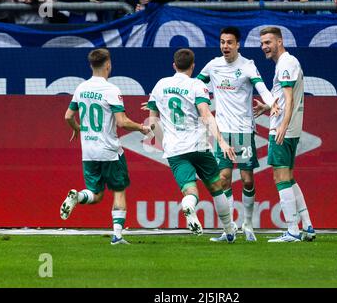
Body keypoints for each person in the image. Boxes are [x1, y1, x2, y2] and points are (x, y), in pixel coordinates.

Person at [144, 48, 238, 243]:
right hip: (198, 146)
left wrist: (163, 142)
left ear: (174, 65)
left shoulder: (160, 85)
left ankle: (189, 205)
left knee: (190, 190)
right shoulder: (196, 85)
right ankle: (229, 230)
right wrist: (221, 141)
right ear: (193, 66)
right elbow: (205, 114)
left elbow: (152, 122)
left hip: (175, 150)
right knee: (216, 187)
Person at [60, 48, 152, 245]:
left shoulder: (81, 88)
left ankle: (77, 195)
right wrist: (142, 128)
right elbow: (122, 122)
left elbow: (68, 116)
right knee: (118, 191)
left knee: (96, 194)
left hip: (89, 152)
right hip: (109, 150)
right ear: (108, 64)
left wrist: (77, 128)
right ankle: (117, 236)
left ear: (91, 65)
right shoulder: (111, 90)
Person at [197, 27, 278, 243]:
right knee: (223, 179)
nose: (225, 46)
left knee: (246, 178)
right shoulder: (213, 65)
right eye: (222, 42)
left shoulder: (247, 66)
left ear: (238, 45)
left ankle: (248, 224)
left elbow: (262, 88)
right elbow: (195, 84)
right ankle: (229, 229)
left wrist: (271, 104)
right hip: (222, 132)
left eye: (229, 42)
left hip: (243, 130)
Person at [254, 27, 316, 242]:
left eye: (268, 42)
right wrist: (267, 106)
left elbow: (289, 99)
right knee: (288, 176)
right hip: (290, 127)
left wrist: (282, 125)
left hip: (283, 128)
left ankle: (292, 230)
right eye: (262, 43)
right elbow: (283, 96)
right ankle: (307, 226)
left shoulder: (286, 64)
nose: (264, 47)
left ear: (279, 41)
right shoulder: (286, 63)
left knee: (280, 176)